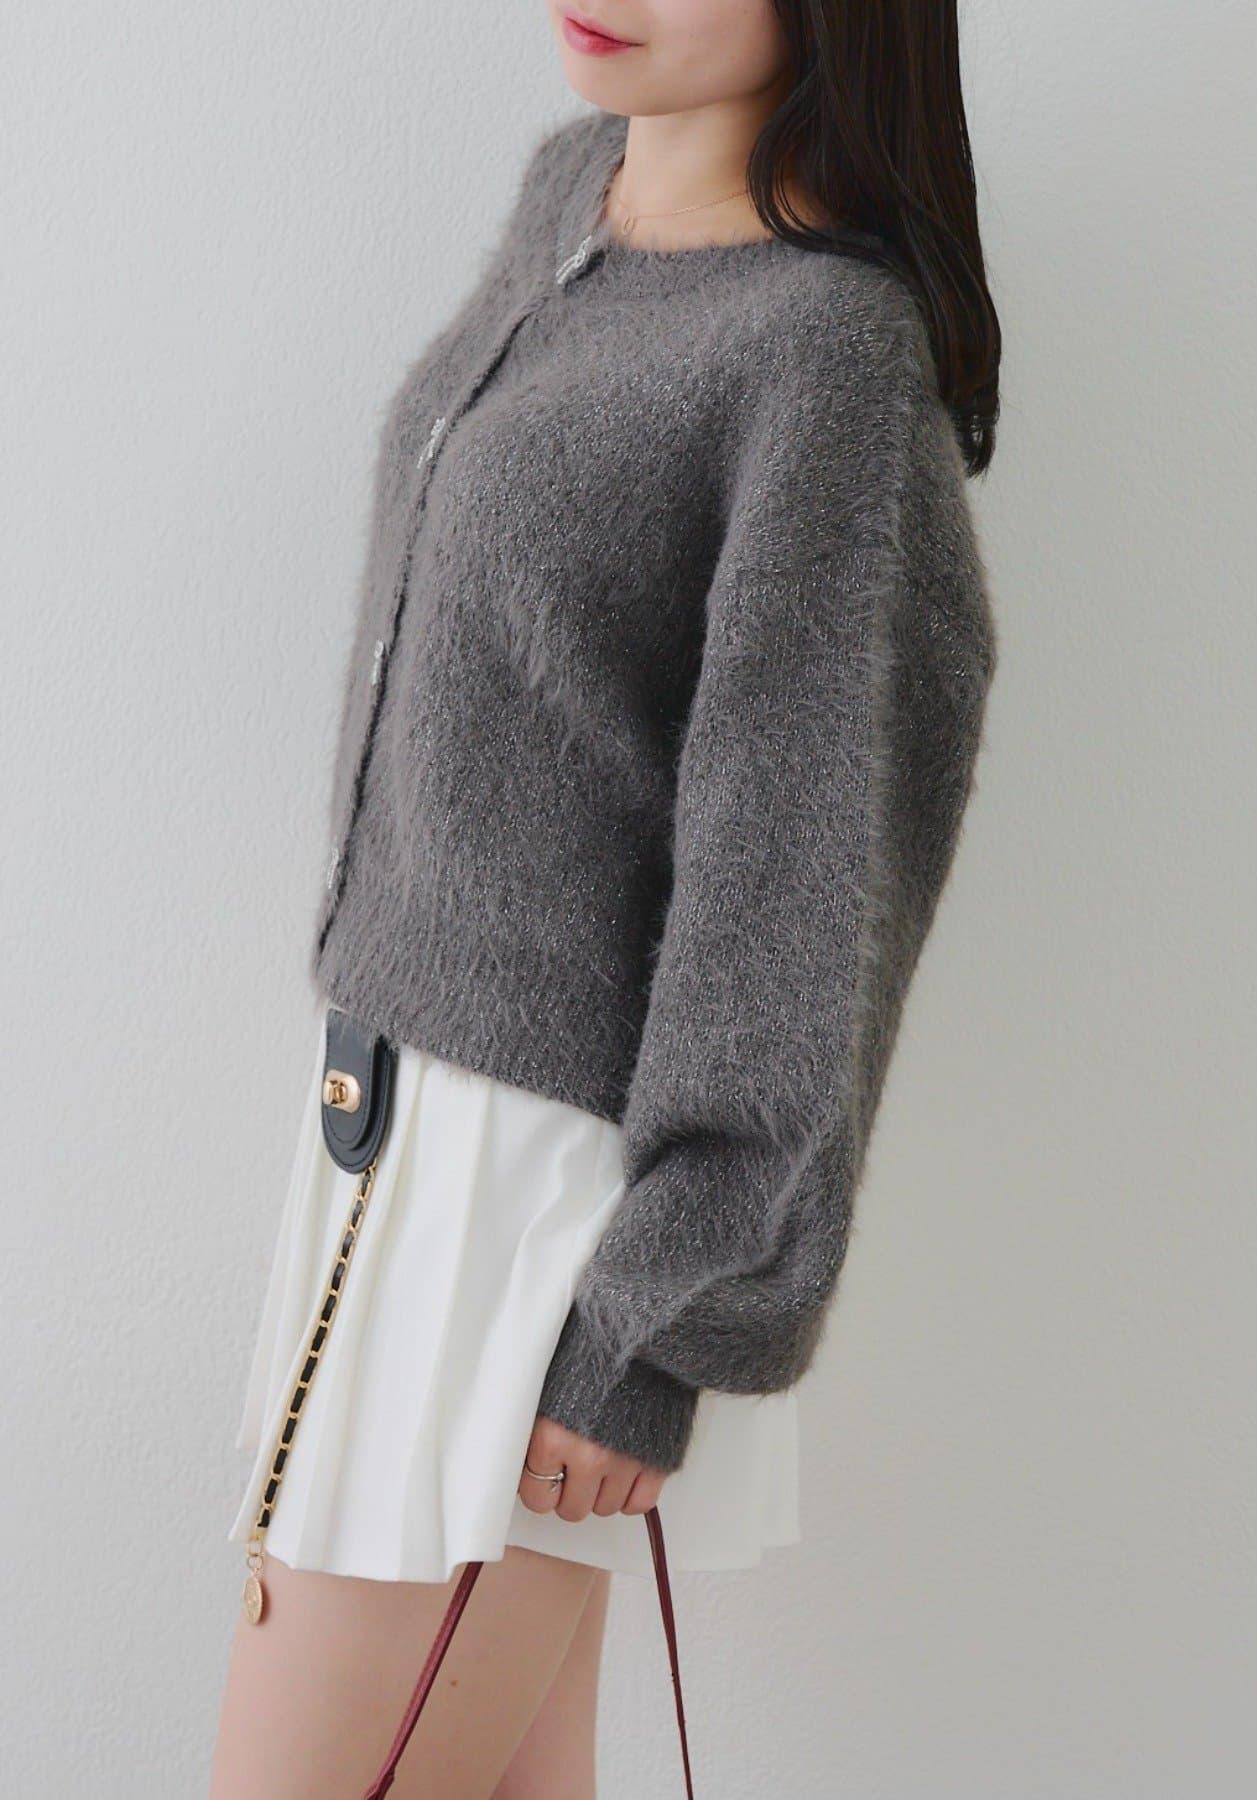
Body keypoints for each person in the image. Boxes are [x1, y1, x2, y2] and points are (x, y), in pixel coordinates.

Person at [210, 0, 1001, 1791]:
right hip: (389, 1134)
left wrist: (657, 1321)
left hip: (545, 1206)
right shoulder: (575, 194)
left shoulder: (825, 352)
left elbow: (804, 874)